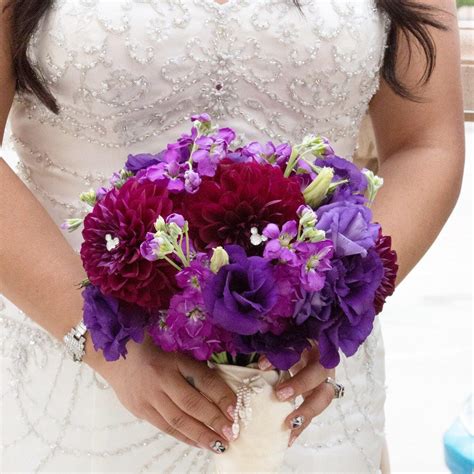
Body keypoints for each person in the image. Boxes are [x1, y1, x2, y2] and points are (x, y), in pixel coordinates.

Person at [0, 0, 464, 472]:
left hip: (303, 376)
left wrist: (336, 315)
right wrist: (101, 346)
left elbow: (425, 144)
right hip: (77, 363)